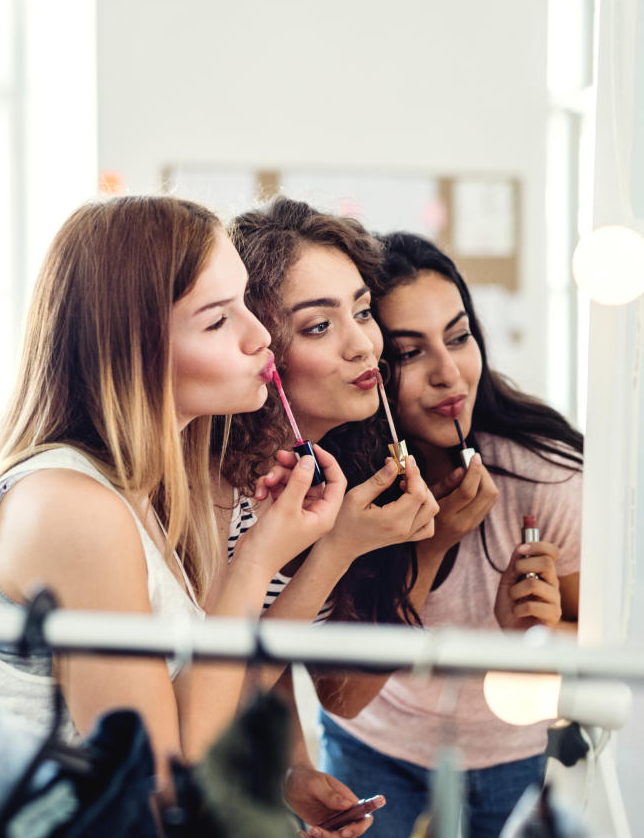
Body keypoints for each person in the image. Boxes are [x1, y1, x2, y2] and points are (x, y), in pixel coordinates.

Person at [0, 195, 348, 793]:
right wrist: (259, 559)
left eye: (245, 304)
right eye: (216, 320)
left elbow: (200, 712)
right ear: (134, 348)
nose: (261, 338)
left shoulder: (142, 494)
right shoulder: (73, 508)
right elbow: (162, 786)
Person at [316, 232, 582, 838]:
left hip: (508, 747)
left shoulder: (547, 475)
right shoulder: (334, 487)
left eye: (458, 337)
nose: (448, 373)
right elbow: (343, 695)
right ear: (370, 368)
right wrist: (431, 547)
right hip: (372, 740)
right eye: (409, 353)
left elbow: (605, 640)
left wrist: (531, 638)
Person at [217, 198, 439, 837]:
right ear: (260, 345)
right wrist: (337, 549)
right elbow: (223, 683)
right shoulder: (221, 486)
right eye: (318, 326)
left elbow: (272, 657)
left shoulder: (336, 458)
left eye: (363, 311)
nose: (363, 344)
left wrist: (292, 771)